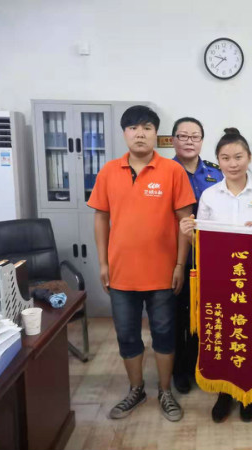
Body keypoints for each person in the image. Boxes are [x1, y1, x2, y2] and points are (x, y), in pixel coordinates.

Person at [88, 105, 196, 422]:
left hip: (163, 274)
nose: (140, 133)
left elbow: (185, 221)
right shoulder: (109, 171)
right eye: (133, 127)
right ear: (124, 133)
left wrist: (180, 265)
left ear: (156, 134)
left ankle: (165, 391)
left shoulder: (172, 171)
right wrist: (103, 263)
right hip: (121, 274)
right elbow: (101, 218)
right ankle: (136, 389)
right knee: (127, 335)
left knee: (164, 334)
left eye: (147, 127)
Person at [180, 127, 252, 423]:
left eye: (238, 157)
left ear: (249, 158)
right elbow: (201, 241)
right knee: (222, 335)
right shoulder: (210, 195)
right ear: (218, 161)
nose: (232, 163)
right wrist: (188, 233)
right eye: (225, 158)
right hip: (219, 277)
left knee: (251, 335)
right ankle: (224, 393)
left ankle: (248, 395)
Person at [171, 117, 223, 394]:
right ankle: (179, 370)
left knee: (204, 315)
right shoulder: (164, 171)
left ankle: (200, 365)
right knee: (177, 317)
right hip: (174, 256)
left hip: (211, 258)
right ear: (173, 140)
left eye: (195, 136)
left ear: (202, 141)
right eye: (183, 136)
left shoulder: (216, 173)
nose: (189, 141)